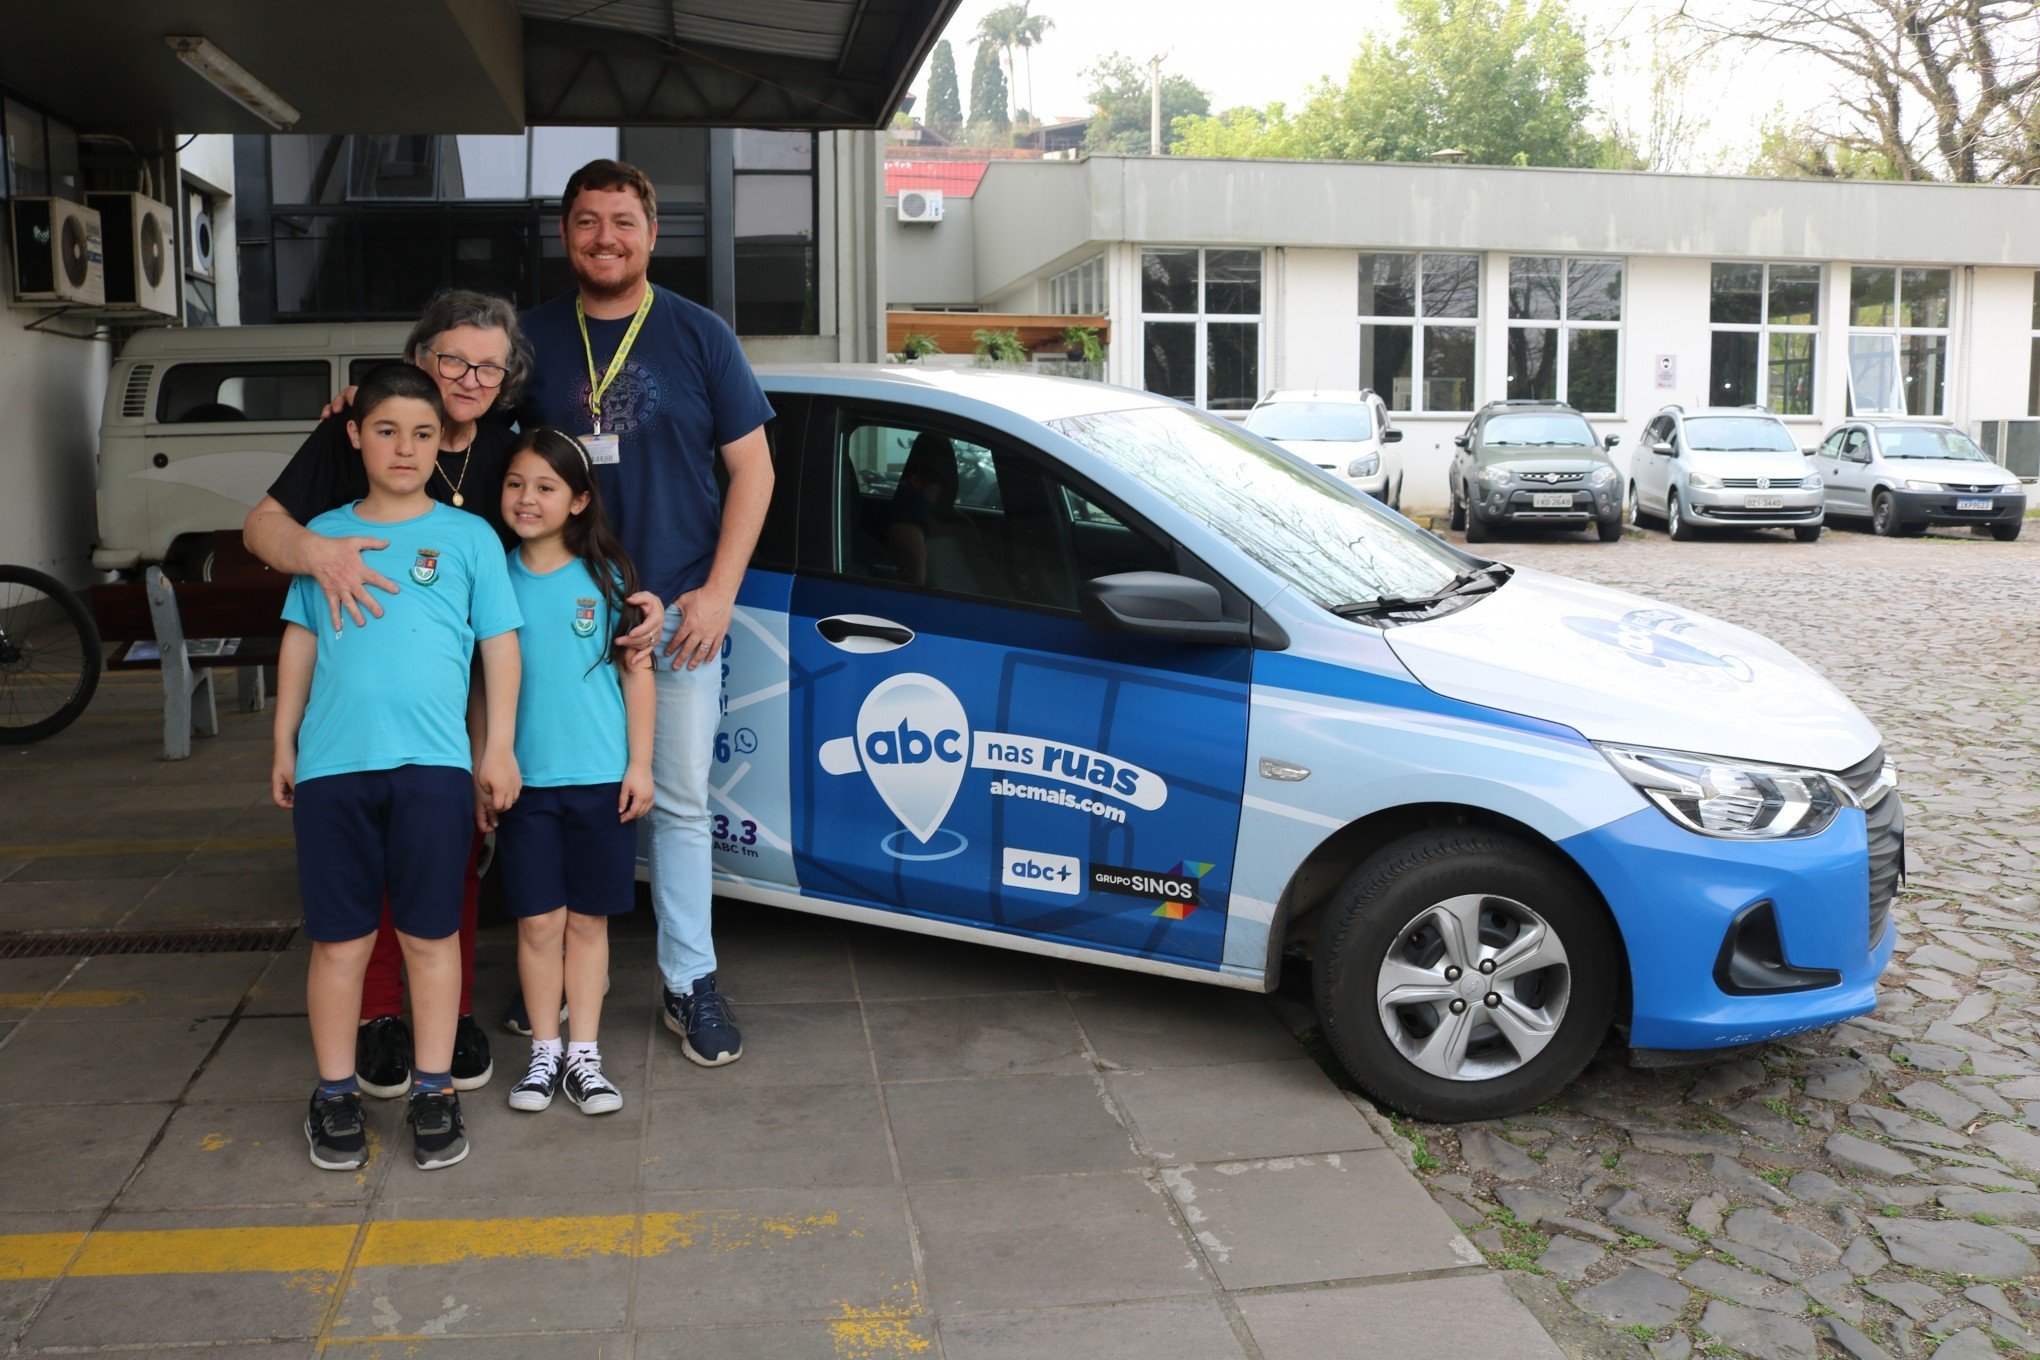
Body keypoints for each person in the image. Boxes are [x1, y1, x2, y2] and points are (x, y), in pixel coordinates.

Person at [516, 158, 775, 1067]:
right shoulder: (531, 338)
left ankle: (687, 982)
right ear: (566, 234)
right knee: (541, 795)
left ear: (652, 234)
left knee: (675, 805)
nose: (605, 238)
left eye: (622, 221)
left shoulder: (701, 335)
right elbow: (454, 417)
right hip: (558, 618)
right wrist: (360, 405)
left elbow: (755, 470)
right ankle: (543, 983)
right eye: (587, 221)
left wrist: (718, 593)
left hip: (678, 620)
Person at [244, 290, 530, 1099]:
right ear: (418, 361)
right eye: (451, 360)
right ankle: (376, 1025)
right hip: (356, 710)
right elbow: (264, 532)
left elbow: (552, 532)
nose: (469, 376)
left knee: (450, 872)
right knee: (353, 899)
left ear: (506, 378)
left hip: (458, 690)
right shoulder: (359, 441)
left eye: (487, 365)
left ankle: (448, 1022)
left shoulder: (507, 451)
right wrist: (315, 553)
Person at [495, 428, 655, 1115]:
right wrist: (486, 760)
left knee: (588, 924)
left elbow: (636, 676)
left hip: (598, 780)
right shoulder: (492, 575)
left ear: (580, 500)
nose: (527, 498)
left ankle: (584, 1055)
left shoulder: (608, 578)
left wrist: (640, 765)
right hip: (524, 784)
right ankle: (543, 1051)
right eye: (515, 483)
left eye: (546, 487)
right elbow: (481, 686)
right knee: (536, 925)